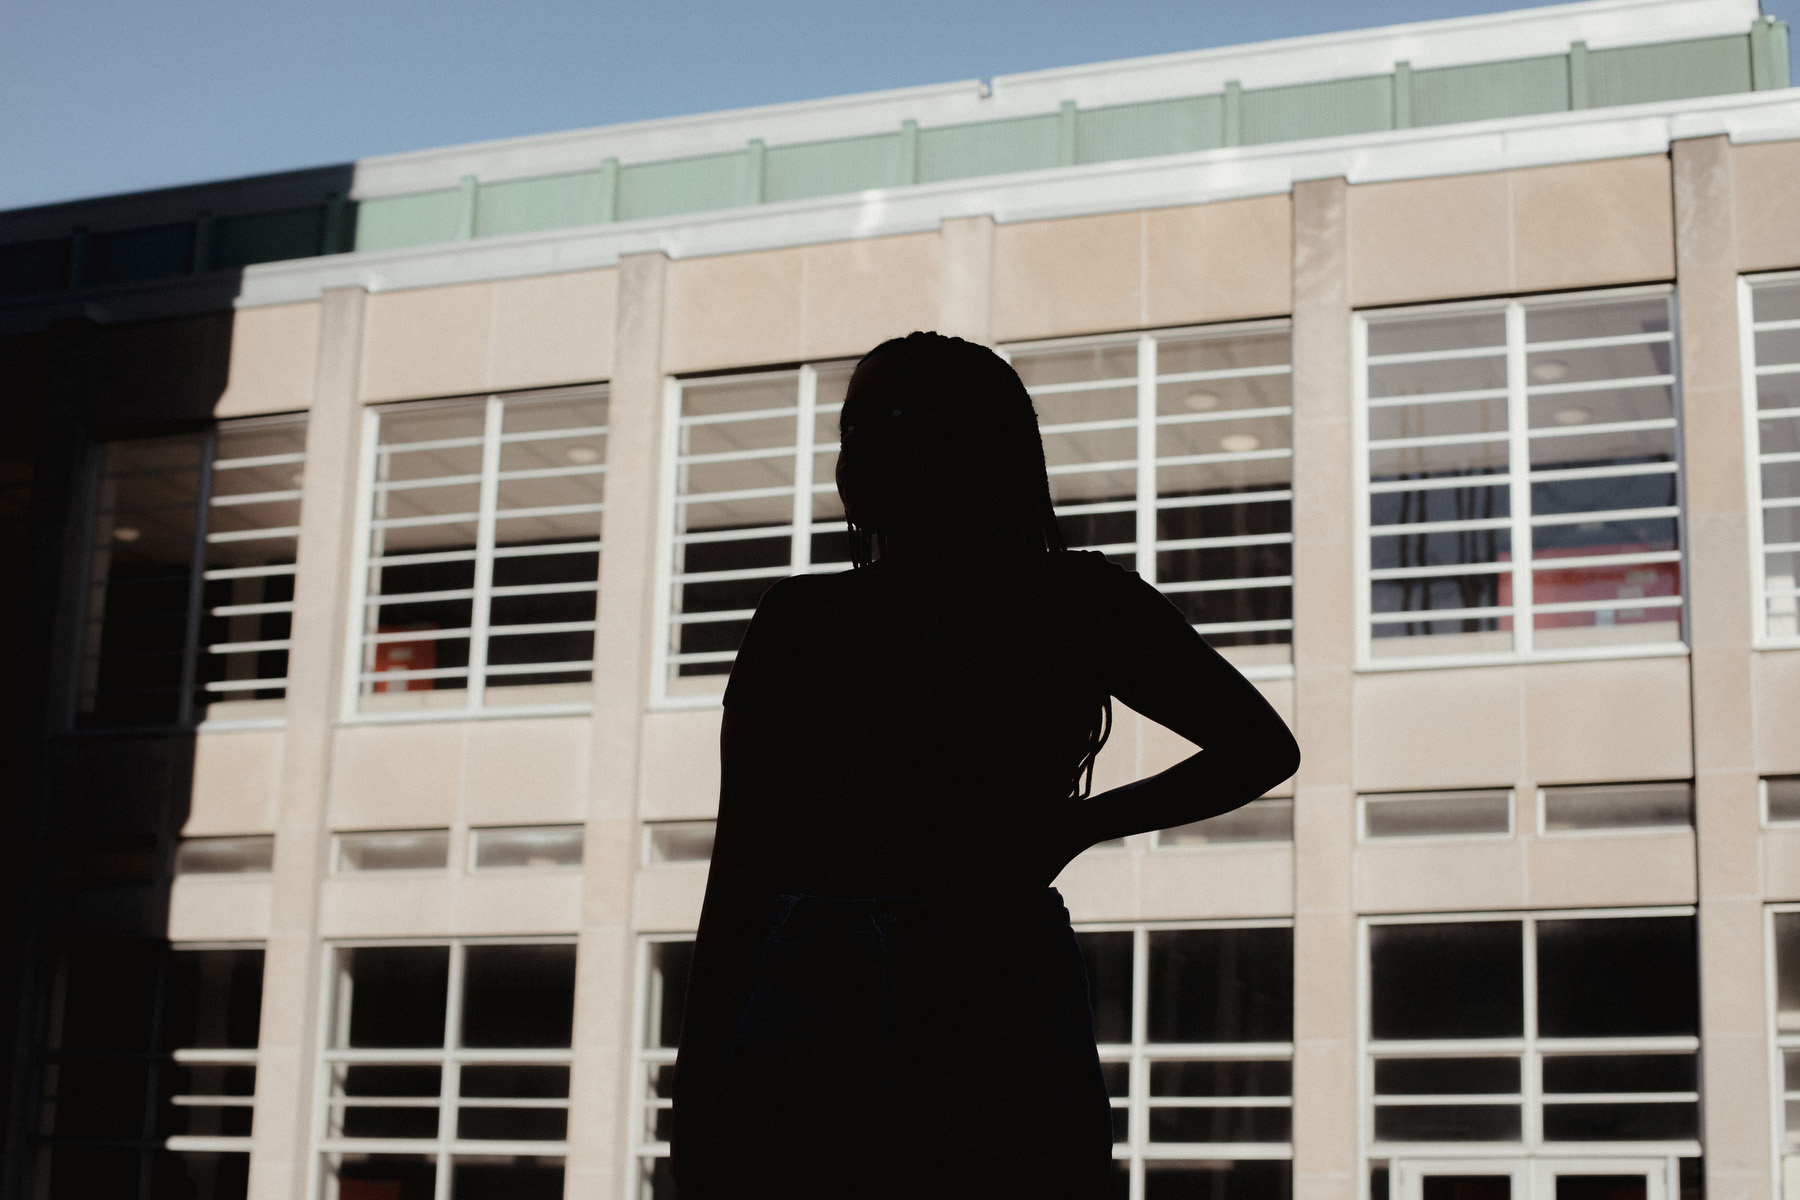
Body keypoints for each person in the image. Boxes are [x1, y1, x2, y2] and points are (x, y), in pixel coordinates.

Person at [670, 331, 1300, 1199]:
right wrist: (1069, 827)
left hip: (851, 987)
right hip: (980, 976)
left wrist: (699, 1095)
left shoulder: (811, 620)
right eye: (854, 424)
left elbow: (743, 872)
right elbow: (741, 865)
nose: (862, 445)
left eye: (893, 417)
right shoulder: (1071, 603)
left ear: (970, 441)